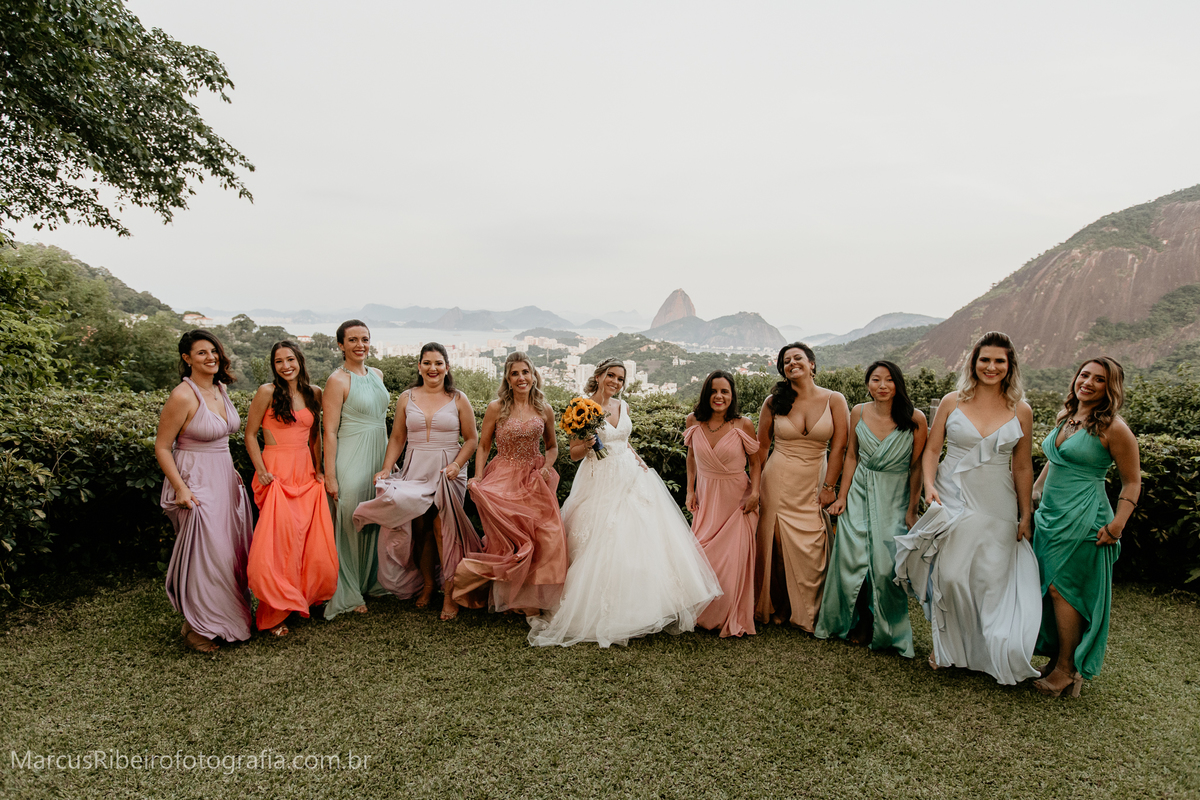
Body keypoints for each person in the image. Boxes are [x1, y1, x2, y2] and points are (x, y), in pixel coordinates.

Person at [528, 358, 721, 647]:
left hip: (631, 475)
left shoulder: (624, 406)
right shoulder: (581, 407)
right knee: (601, 540)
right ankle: (597, 612)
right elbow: (574, 453)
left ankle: (642, 608)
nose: (615, 382)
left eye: (620, 378)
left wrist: (639, 461)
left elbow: (624, 441)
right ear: (598, 376)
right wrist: (588, 444)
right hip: (598, 479)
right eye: (611, 375)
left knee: (640, 539)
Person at [894, 331, 1040, 684]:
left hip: (997, 500)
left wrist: (1025, 513)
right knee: (951, 575)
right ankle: (948, 648)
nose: (991, 367)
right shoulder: (952, 401)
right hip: (952, 493)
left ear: (1010, 366)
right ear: (973, 362)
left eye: (999, 361)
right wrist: (930, 486)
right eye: (985, 359)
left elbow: (1022, 466)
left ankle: (987, 652)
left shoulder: (1021, 410)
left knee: (990, 578)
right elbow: (932, 450)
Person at [1031, 357, 1141, 697]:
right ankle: (1057, 659)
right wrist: (1036, 489)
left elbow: (1132, 482)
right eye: (1084, 375)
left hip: (1085, 518)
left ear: (1111, 388)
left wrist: (1118, 525)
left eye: (1099, 379)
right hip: (1051, 517)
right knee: (1048, 587)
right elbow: (1056, 458)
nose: (1088, 383)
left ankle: (1067, 670)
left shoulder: (1115, 428)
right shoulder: (1066, 417)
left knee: (1064, 591)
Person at [354, 342, 481, 621]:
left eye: (438, 363)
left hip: (448, 470)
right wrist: (386, 468)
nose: (432, 368)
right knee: (421, 530)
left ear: (447, 367)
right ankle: (428, 584)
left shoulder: (459, 398)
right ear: (419, 366)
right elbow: (398, 437)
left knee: (442, 530)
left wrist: (456, 465)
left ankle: (450, 593)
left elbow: (472, 439)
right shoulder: (406, 397)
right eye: (427, 363)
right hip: (416, 468)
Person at [815, 361, 926, 657]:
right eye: (876, 379)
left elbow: (916, 467)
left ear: (898, 384)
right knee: (851, 557)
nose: (882, 385)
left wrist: (912, 509)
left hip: (894, 495)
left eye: (889, 380)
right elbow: (851, 456)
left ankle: (887, 628)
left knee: (886, 564)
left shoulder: (915, 418)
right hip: (859, 492)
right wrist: (842, 496)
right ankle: (859, 620)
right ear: (868, 384)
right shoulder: (859, 411)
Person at [155, 330, 254, 653]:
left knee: (230, 551)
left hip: (223, 477)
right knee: (206, 554)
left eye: (213, 351)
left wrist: (232, 470)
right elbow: (162, 447)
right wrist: (180, 488)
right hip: (195, 479)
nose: (210, 357)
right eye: (201, 353)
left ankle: (220, 618)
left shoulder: (220, 389)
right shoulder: (183, 396)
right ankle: (197, 626)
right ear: (187, 359)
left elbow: (221, 438)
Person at [454, 353, 568, 616]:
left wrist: (546, 467)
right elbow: (484, 445)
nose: (521, 378)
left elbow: (552, 447)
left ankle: (531, 597)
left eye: (525, 372)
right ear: (507, 378)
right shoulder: (496, 407)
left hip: (534, 478)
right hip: (503, 475)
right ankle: (508, 595)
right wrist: (478, 476)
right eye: (515, 373)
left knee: (545, 536)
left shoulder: (544, 409)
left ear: (533, 375)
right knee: (510, 542)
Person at [244, 341, 338, 637]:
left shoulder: (315, 393)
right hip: (276, 473)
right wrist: (261, 470)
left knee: (307, 540)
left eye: (290, 359)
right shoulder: (267, 392)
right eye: (279, 361)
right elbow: (249, 434)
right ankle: (273, 613)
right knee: (278, 544)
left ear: (300, 361)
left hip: (305, 472)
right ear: (273, 366)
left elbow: (315, 435)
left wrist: (319, 469)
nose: (286, 366)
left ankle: (300, 599)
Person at [754, 343, 849, 631]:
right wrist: (754, 488)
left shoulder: (834, 399)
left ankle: (811, 607)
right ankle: (780, 604)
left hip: (815, 479)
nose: (792, 363)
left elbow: (839, 447)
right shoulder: (773, 402)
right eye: (786, 361)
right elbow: (761, 447)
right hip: (778, 478)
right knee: (777, 542)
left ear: (811, 364)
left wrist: (830, 486)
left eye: (798, 358)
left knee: (814, 541)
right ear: (783, 370)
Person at [684, 370, 761, 638]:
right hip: (706, 497)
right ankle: (702, 613)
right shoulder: (693, 421)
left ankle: (728, 613)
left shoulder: (743, 424)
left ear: (732, 395)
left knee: (730, 561)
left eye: (725, 391)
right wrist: (690, 490)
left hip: (736, 500)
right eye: (714, 391)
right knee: (702, 554)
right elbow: (691, 457)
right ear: (706, 394)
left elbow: (755, 462)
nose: (719, 396)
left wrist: (755, 493)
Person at [322, 320, 389, 619]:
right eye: (352, 340)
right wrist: (331, 475)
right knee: (350, 520)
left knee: (374, 519)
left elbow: (382, 421)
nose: (360, 345)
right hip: (350, 458)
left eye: (365, 339)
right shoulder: (337, 381)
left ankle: (370, 581)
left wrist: (388, 461)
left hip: (378, 456)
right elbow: (329, 431)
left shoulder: (378, 374)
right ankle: (348, 590)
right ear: (341, 345)